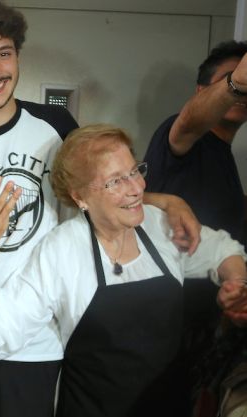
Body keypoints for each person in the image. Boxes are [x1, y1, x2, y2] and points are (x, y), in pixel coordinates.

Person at [0, 1, 202, 416]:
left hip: (40, 346)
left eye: (4, 54)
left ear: (18, 55)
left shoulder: (56, 125)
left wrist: (162, 200)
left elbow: (100, 188)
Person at [0, 124, 247, 417]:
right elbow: (4, 319)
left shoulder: (159, 225)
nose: (137, 188)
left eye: (135, 171)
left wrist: (236, 279)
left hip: (168, 405)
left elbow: (220, 249)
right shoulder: (65, 249)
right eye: (115, 181)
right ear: (80, 197)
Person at [143, 40, 247, 413]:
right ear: (203, 91)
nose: (242, 89)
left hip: (204, 331)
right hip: (164, 330)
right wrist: (238, 81)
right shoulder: (182, 135)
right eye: (229, 80)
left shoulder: (225, 158)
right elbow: (189, 121)